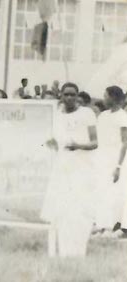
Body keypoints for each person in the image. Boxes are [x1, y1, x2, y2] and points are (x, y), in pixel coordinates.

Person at [41, 82, 98, 257]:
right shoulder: (57, 116)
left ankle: (78, 250)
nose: (69, 98)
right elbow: (53, 143)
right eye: (66, 94)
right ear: (61, 96)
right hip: (62, 167)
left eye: (73, 94)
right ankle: (59, 251)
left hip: (82, 167)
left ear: (78, 96)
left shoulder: (87, 114)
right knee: (61, 209)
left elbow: (95, 142)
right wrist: (50, 144)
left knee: (79, 210)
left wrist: (78, 145)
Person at [93, 86, 127, 233]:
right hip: (102, 158)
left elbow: (125, 142)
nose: (103, 98)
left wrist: (119, 166)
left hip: (118, 158)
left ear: (114, 98)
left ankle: (117, 226)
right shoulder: (102, 116)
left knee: (117, 193)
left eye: (106, 96)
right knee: (102, 192)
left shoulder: (122, 116)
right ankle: (102, 225)